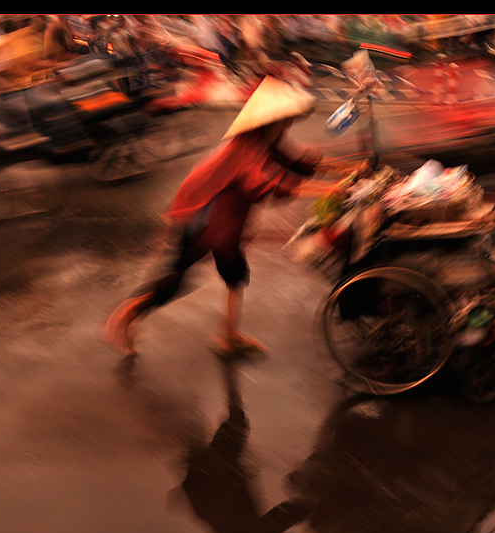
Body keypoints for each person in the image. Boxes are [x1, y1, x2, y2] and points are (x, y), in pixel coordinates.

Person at [103, 76, 363, 359]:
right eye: (286, 118)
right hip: (201, 218)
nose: (289, 123)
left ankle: (227, 336)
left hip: (223, 223)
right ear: (272, 120)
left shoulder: (269, 141)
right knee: (175, 281)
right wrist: (334, 188)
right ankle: (124, 315)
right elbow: (275, 183)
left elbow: (304, 162)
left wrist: (347, 168)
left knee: (234, 275)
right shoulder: (246, 148)